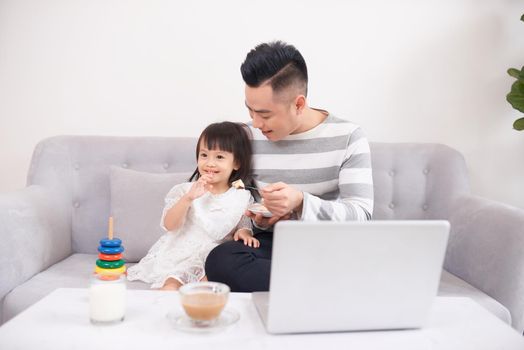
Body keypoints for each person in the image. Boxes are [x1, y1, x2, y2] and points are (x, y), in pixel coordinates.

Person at [205, 41, 374, 292]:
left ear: (298, 104)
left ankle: (307, 285)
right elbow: (239, 198)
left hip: (324, 244)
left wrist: (301, 203)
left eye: (264, 114)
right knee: (221, 259)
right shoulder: (247, 136)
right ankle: (323, 287)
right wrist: (260, 220)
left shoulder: (348, 136)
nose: (255, 122)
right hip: (270, 245)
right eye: (250, 110)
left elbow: (361, 215)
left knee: (354, 257)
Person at [127, 121, 260, 290]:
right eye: (204, 155)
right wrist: (188, 199)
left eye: (219, 157)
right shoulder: (186, 190)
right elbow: (170, 225)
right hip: (183, 252)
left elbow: (243, 222)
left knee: (207, 287)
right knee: (173, 283)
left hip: (213, 257)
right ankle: (164, 302)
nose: (209, 163)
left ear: (236, 163)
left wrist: (244, 232)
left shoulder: (241, 196)